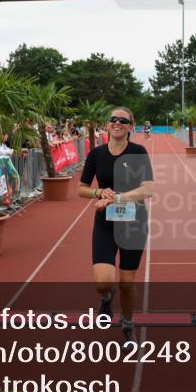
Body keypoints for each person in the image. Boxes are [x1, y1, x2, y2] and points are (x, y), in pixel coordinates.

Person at [78, 106, 154, 344]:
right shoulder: (96, 154)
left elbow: (148, 189)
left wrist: (116, 198)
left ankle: (128, 325)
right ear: (108, 124)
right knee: (103, 282)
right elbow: (81, 188)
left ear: (131, 127)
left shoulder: (138, 152)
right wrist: (99, 192)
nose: (117, 123)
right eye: (113, 119)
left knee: (127, 284)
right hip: (105, 224)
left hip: (134, 223)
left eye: (123, 120)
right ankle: (106, 298)